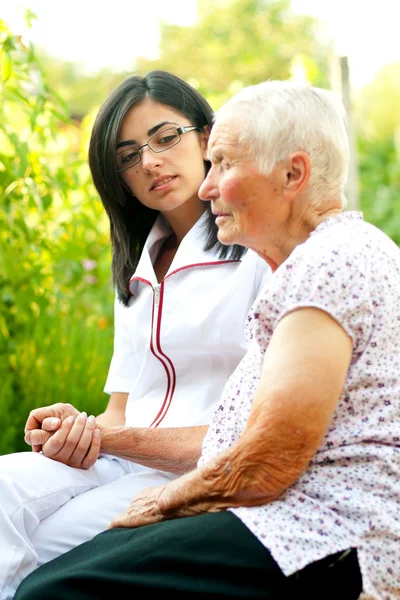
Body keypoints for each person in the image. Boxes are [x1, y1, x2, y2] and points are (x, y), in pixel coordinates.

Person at [15, 80, 400, 600]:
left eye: (222, 163)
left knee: (48, 579)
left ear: (292, 174)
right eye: (128, 155)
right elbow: (242, 441)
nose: (206, 187)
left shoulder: (322, 262)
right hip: (256, 499)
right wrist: (85, 433)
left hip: (313, 523)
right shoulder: (295, 265)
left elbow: (267, 459)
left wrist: (166, 499)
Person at [0, 71, 270, 600]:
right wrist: (74, 430)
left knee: (43, 544)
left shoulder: (256, 254)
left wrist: (112, 439)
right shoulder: (137, 270)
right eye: (127, 156)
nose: (149, 161)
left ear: (206, 137)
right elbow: (120, 415)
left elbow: (255, 433)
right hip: (121, 459)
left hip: (199, 468)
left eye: (165, 138)